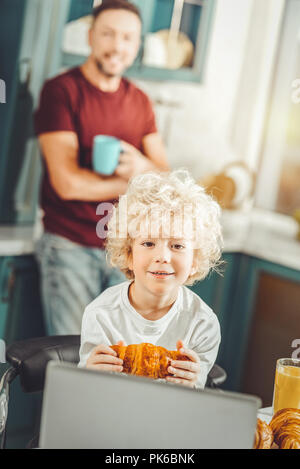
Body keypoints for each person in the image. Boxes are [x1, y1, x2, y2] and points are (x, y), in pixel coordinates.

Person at [34, 0, 169, 336]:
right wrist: (136, 181)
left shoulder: (140, 101)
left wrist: (142, 167)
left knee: (118, 359)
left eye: (127, 37)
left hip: (125, 252)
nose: (117, 46)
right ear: (91, 37)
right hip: (70, 246)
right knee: (74, 355)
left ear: (137, 45)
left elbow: (165, 177)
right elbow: (67, 184)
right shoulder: (61, 91)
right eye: (108, 34)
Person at [78, 169, 223, 389]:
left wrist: (194, 384)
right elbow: (83, 393)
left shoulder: (203, 324)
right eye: (148, 243)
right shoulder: (101, 314)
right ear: (128, 254)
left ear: (195, 259)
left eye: (177, 246)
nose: (162, 257)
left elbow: (192, 408)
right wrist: (89, 375)